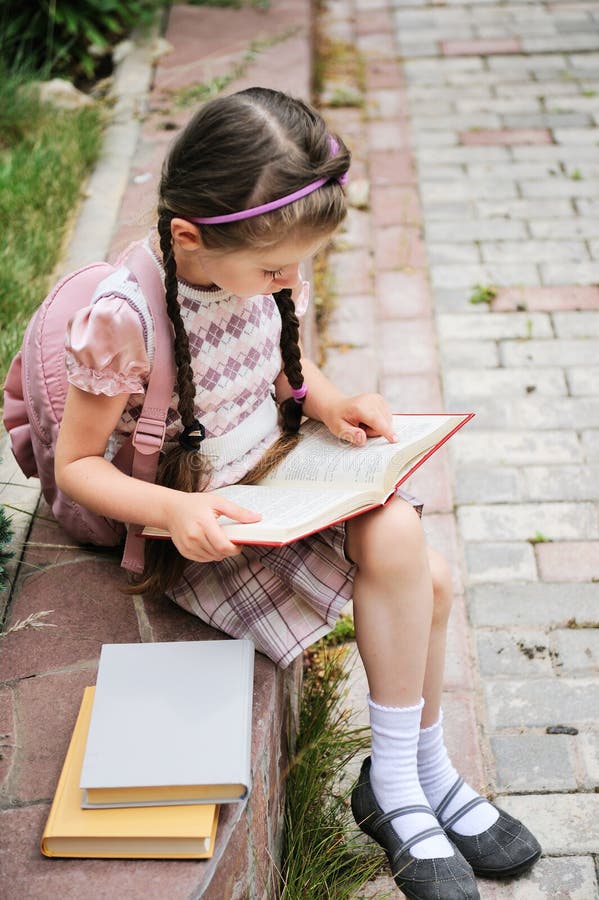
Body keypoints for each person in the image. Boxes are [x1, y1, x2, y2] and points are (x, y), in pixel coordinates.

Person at [54, 87, 540, 898]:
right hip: (201, 525)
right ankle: (403, 783)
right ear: (188, 237)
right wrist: (177, 511)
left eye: (297, 266)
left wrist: (335, 401)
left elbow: (286, 368)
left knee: (424, 568)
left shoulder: (263, 274)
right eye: (276, 268)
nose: (289, 280)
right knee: (427, 578)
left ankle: (411, 774)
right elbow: (76, 466)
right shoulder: (125, 316)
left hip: (272, 481)